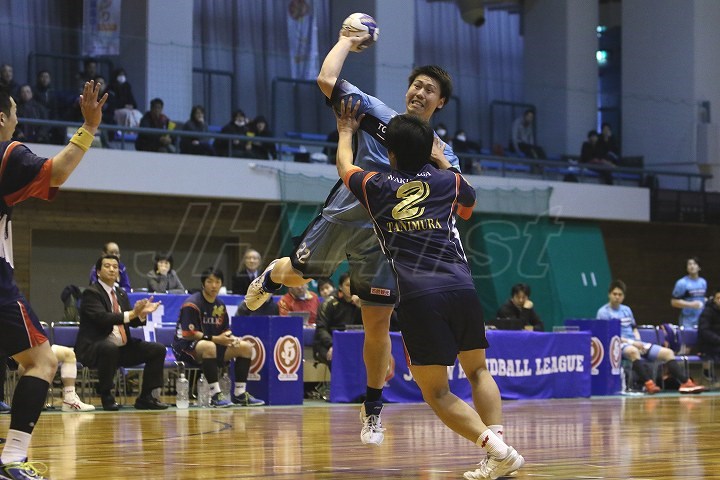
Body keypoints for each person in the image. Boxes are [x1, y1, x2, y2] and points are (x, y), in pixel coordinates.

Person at [243, 30, 462, 446]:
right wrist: (346, 39)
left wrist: (440, 165)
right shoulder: (376, 113)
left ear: (441, 103)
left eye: (429, 90)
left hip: (386, 242)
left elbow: (457, 194)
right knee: (297, 275)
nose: (420, 93)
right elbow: (326, 80)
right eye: (416, 85)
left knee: (377, 323)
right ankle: (270, 277)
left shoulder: (443, 152)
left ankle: (373, 408)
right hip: (343, 217)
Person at [335, 99, 524, 479]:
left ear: (389, 154)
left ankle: (499, 452)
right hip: (463, 287)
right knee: (478, 371)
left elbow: (345, 167)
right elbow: (469, 197)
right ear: (429, 150)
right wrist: (441, 160)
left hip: (421, 297)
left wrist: (345, 131)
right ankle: (497, 452)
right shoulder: (448, 180)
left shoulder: (376, 185)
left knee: (436, 393)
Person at [0, 81, 105, 479]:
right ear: (1, 118)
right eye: (14, 113)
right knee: (42, 361)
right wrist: (89, 127)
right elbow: (56, 172)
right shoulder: (7, 153)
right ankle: (12, 459)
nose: (17, 120)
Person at [77, 254, 168, 411]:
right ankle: (106, 396)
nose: (112, 269)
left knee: (158, 349)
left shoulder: (120, 293)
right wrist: (133, 313)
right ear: (98, 272)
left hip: (122, 349)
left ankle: (146, 397)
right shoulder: (91, 293)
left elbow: (131, 321)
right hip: (95, 349)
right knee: (109, 347)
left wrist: (141, 314)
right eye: (107, 266)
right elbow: (103, 318)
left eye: (115, 267)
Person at [172, 267, 265, 407]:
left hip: (212, 344)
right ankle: (215, 394)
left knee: (245, 347)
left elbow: (225, 330)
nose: (214, 285)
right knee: (209, 346)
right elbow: (190, 334)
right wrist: (217, 339)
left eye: (217, 282)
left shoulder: (220, 305)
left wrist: (232, 338)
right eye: (210, 281)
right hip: (185, 348)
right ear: (203, 283)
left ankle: (240, 394)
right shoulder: (192, 304)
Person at [596, 279, 705, 394]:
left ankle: (686, 383)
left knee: (667, 353)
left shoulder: (627, 310)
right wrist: (633, 343)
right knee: (633, 351)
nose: (617, 297)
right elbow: (610, 335)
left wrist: (638, 341)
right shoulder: (603, 312)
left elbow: (634, 328)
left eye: (620, 294)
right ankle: (649, 384)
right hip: (618, 344)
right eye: (614, 294)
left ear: (623, 296)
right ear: (609, 295)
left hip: (636, 343)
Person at [313, 272, 362, 369]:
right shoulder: (329, 303)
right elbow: (321, 329)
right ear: (340, 287)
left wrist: (361, 309)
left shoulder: (359, 304)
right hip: (327, 344)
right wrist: (334, 344)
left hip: (349, 344)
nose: (352, 288)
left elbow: (365, 328)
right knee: (338, 358)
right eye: (348, 285)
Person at [671, 257, 707, 329]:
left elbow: (702, 298)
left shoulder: (703, 282)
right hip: (687, 321)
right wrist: (691, 304)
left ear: (699, 267)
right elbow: (674, 302)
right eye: (689, 264)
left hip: (701, 319)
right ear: (687, 268)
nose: (692, 266)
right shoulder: (681, 283)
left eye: (694, 264)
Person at [698, 289, 720, 373]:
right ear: (714, 299)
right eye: (718, 298)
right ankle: (708, 374)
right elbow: (704, 331)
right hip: (709, 345)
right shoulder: (707, 312)